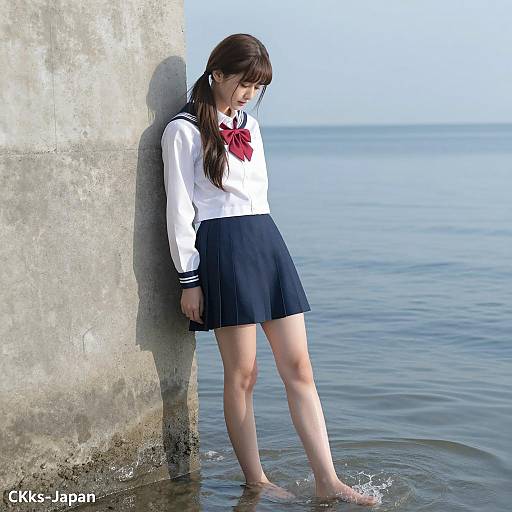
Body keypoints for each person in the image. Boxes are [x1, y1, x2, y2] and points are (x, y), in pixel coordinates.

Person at [161, 33, 377, 507]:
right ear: (217, 73)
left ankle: (328, 479)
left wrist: (267, 247)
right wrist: (188, 279)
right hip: (222, 247)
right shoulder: (182, 130)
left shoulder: (251, 128)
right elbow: (179, 211)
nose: (248, 94)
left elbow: (257, 196)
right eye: (243, 83)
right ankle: (255, 479)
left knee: (299, 367)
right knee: (243, 374)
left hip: (266, 241)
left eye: (257, 87)